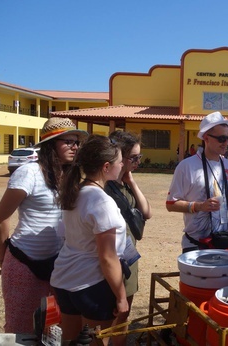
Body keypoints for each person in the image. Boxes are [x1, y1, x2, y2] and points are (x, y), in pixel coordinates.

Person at [0, 117, 87, 333]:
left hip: (58, 264)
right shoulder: (29, 173)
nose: (75, 147)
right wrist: (3, 256)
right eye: (68, 142)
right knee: (21, 327)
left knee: (52, 327)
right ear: (50, 144)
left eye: (77, 142)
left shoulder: (70, 176)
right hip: (24, 262)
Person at [50, 135, 130, 343]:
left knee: (70, 339)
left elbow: (67, 236)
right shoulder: (102, 201)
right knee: (97, 341)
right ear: (106, 167)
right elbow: (107, 258)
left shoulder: (75, 193)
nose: (122, 164)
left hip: (65, 280)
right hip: (91, 284)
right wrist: (121, 298)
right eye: (119, 161)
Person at [104, 130, 152, 345]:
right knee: (108, 314)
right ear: (118, 157)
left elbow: (146, 212)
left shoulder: (124, 184)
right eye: (133, 158)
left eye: (139, 157)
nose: (138, 162)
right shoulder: (105, 186)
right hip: (113, 258)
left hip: (129, 255)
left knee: (124, 314)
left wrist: (131, 181)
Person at [166, 111, 228, 253]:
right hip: (196, 245)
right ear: (206, 138)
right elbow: (171, 204)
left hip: (225, 243)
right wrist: (199, 206)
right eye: (221, 138)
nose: (226, 143)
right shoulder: (186, 166)